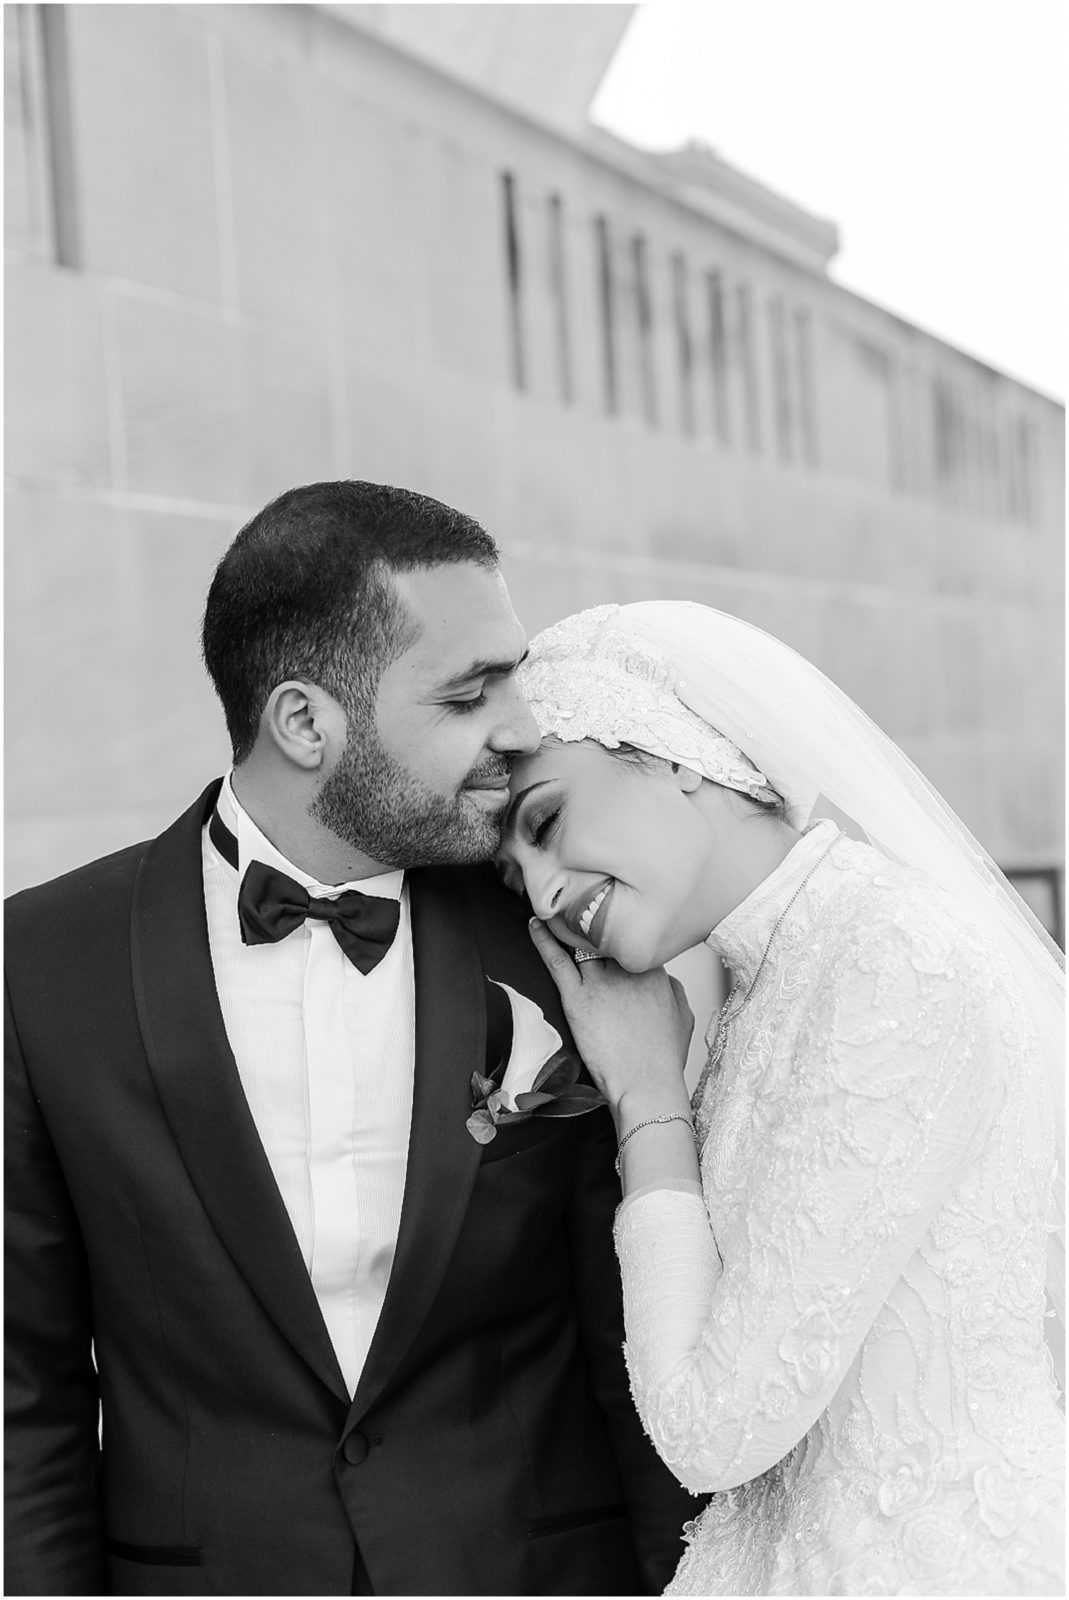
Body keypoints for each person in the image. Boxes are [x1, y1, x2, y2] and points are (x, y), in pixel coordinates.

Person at [4, 486, 701, 1598]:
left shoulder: (559, 937)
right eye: (471, 693)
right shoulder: (41, 964)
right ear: (305, 722)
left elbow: (634, 1338)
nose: (520, 726)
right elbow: (21, 1392)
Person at [496, 600, 1065, 1596]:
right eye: (517, 878)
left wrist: (647, 1102)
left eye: (544, 822)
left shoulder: (895, 960)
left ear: (671, 753)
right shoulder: (773, 975)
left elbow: (711, 1429)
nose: (544, 892)